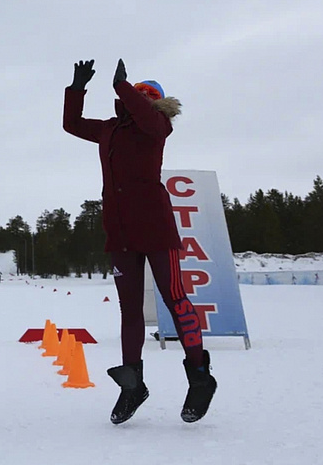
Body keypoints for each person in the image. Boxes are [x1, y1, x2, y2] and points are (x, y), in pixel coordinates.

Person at [63, 58, 216, 424]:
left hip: (155, 228)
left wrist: (123, 87)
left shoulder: (157, 125)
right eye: (140, 92)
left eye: (150, 94)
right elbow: (71, 125)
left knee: (175, 299)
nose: (143, 98)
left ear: (159, 102)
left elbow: (147, 117)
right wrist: (77, 88)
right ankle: (132, 386)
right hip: (120, 232)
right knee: (129, 311)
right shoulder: (110, 129)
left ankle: (199, 377)